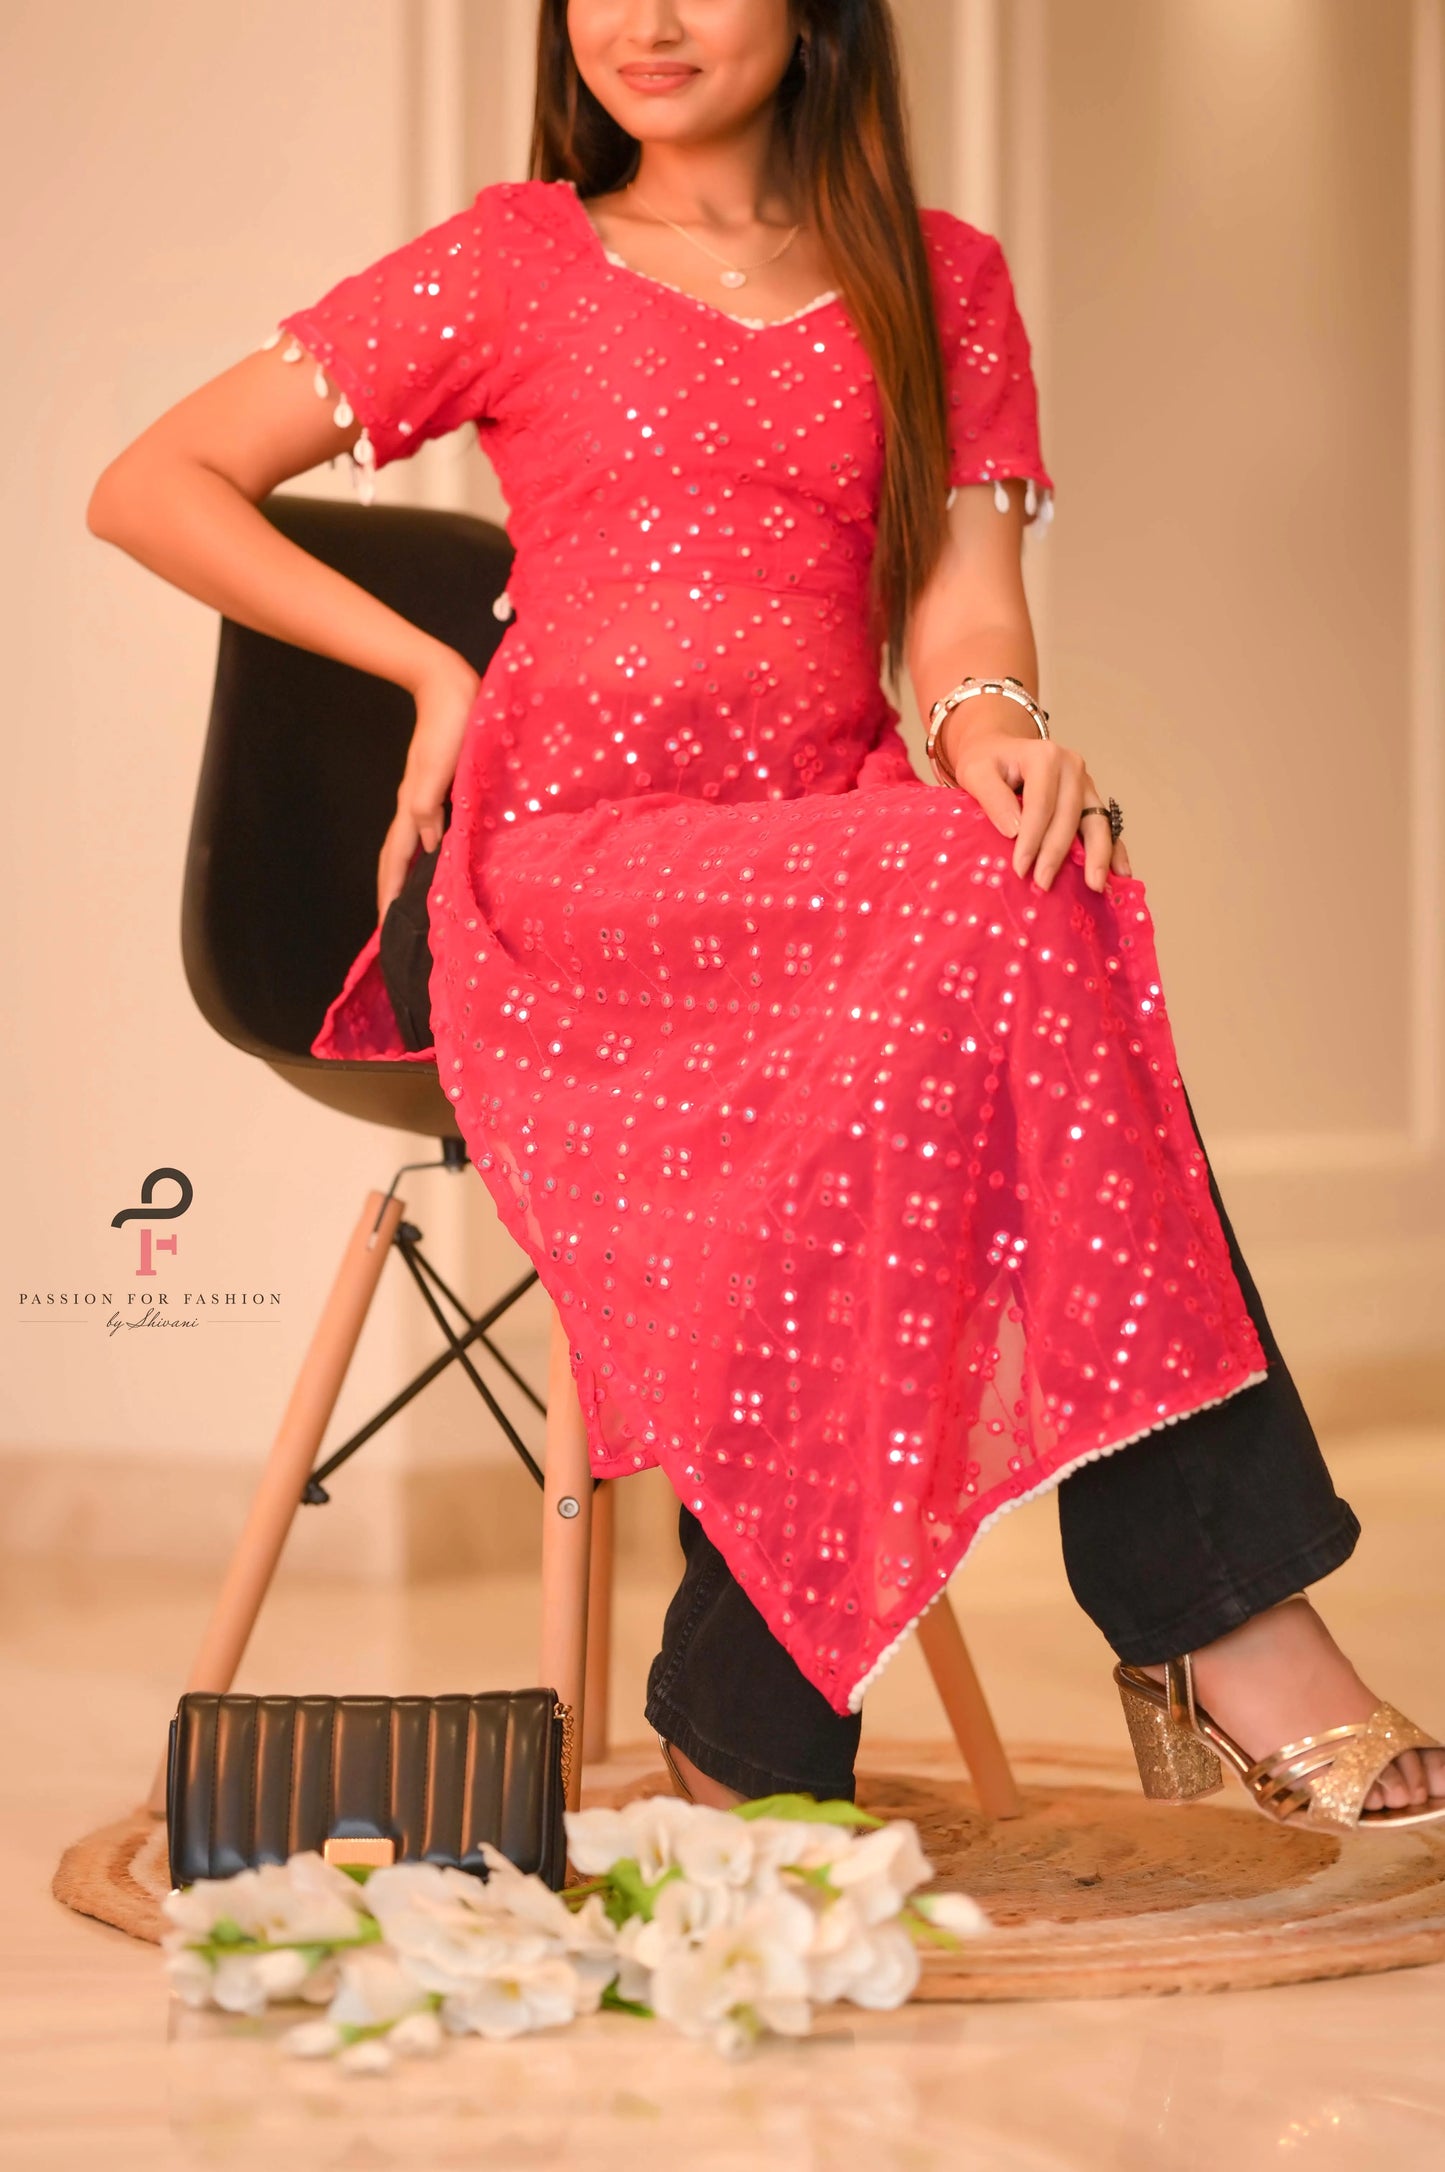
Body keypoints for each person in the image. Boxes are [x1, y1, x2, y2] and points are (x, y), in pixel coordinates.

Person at [87, 0, 1442, 1830]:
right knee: (973, 918)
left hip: (825, 859)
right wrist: (428, 674)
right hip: (559, 873)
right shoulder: (514, 259)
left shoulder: (937, 283)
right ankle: (1219, 1620)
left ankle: (749, 1730)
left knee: (1022, 868)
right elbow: (152, 484)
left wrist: (998, 734)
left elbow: (961, 612)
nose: (641, 21)